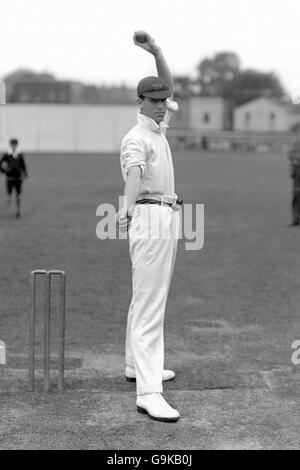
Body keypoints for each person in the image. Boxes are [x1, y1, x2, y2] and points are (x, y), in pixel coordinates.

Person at [117, 31, 182, 422]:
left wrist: (156, 51)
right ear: (140, 102)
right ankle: (148, 391)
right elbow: (133, 177)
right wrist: (125, 210)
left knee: (145, 297)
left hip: (165, 214)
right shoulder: (135, 138)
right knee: (149, 305)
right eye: (154, 101)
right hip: (149, 215)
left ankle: (134, 365)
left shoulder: (158, 127)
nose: (161, 106)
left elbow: (169, 85)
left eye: (163, 101)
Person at [0, 138, 28, 218]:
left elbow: (23, 165)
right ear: (10, 145)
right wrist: (4, 170)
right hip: (10, 177)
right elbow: (1, 164)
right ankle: (9, 199)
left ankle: (18, 211)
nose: (13, 145)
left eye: (15, 144)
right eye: (12, 144)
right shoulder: (7, 154)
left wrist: (25, 174)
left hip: (18, 177)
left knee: (18, 195)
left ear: (17, 145)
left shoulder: (19, 154)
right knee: (9, 193)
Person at [288, 137, 300, 227]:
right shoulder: (295, 142)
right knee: (296, 196)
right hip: (296, 172)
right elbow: (290, 155)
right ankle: (295, 219)